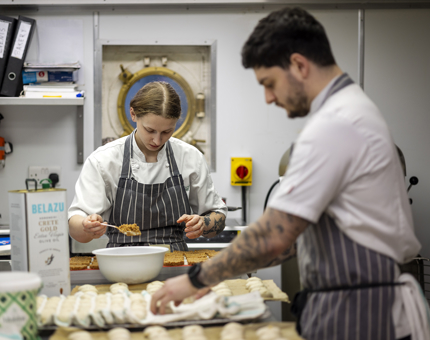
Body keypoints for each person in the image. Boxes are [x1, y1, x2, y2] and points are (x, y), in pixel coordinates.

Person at [150, 7, 430, 340]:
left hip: (362, 310)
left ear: (298, 65)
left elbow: (274, 236)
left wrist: (196, 278)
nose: (268, 98)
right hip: (363, 301)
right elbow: (292, 238)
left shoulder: (335, 125)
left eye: (269, 83)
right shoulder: (354, 111)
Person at [68, 81, 227, 251]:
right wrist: (86, 226)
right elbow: (76, 229)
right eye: (150, 130)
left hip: (175, 263)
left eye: (167, 131)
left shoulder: (190, 157)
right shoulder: (104, 160)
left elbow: (218, 218)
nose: (157, 141)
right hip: (121, 263)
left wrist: (204, 223)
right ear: (133, 114)